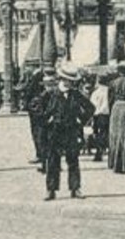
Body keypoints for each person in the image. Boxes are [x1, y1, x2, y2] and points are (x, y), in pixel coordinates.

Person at [40, 62, 94, 200]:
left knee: (73, 160)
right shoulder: (51, 93)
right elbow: (37, 108)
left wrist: (80, 121)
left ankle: (75, 188)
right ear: (61, 79)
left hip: (71, 130)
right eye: (68, 80)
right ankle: (51, 189)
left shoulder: (76, 94)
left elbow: (90, 108)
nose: (70, 83)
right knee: (53, 161)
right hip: (55, 131)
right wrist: (47, 120)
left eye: (72, 81)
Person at [19, 62, 47, 168]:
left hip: (36, 109)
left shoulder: (36, 77)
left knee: (37, 132)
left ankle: (40, 155)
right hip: (39, 108)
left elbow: (29, 91)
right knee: (39, 132)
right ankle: (41, 154)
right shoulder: (42, 75)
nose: (27, 69)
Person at [88, 73, 112, 163]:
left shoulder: (96, 93)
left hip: (97, 115)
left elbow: (91, 105)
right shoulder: (109, 91)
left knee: (98, 134)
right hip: (108, 115)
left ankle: (99, 153)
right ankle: (108, 152)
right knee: (107, 133)